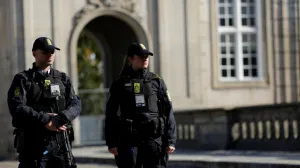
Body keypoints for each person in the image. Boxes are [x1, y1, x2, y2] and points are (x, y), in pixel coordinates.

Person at [7, 37, 81, 168]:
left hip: (61, 145)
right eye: (45, 52)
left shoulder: (62, 78)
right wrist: (45, 119)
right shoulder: (23, 79)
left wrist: (60, 119)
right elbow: (17, 107)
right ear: (34, 53)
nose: (50, 55)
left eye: (52, 52)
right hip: (34, 145)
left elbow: (75, 104)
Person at [105, 42, 177, 168]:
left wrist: (170, 140)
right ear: (130, 59)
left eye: (146, 57)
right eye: (141, 56)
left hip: (154, 141)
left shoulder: (157, 81)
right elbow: (111, 113)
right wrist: (111, 142)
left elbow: (168, 110)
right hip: (129, 142)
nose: (145, 59)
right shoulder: (120, 83)